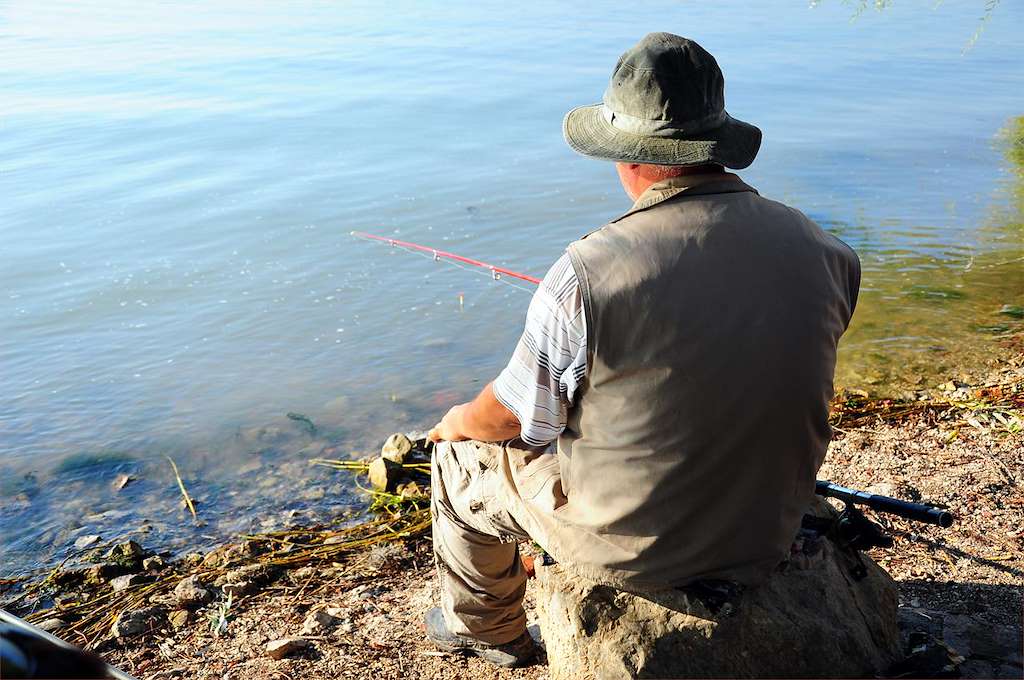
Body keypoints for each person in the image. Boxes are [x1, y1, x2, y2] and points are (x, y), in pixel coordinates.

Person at [424, 32, 861, 668]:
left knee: (462, 460)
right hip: (770, 526)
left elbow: (517, 420)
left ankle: (487, 630)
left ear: (627, 158)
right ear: (718, 145)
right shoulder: (829, 253)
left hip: (643, 549)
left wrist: (456, 423)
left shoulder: (586, 270)